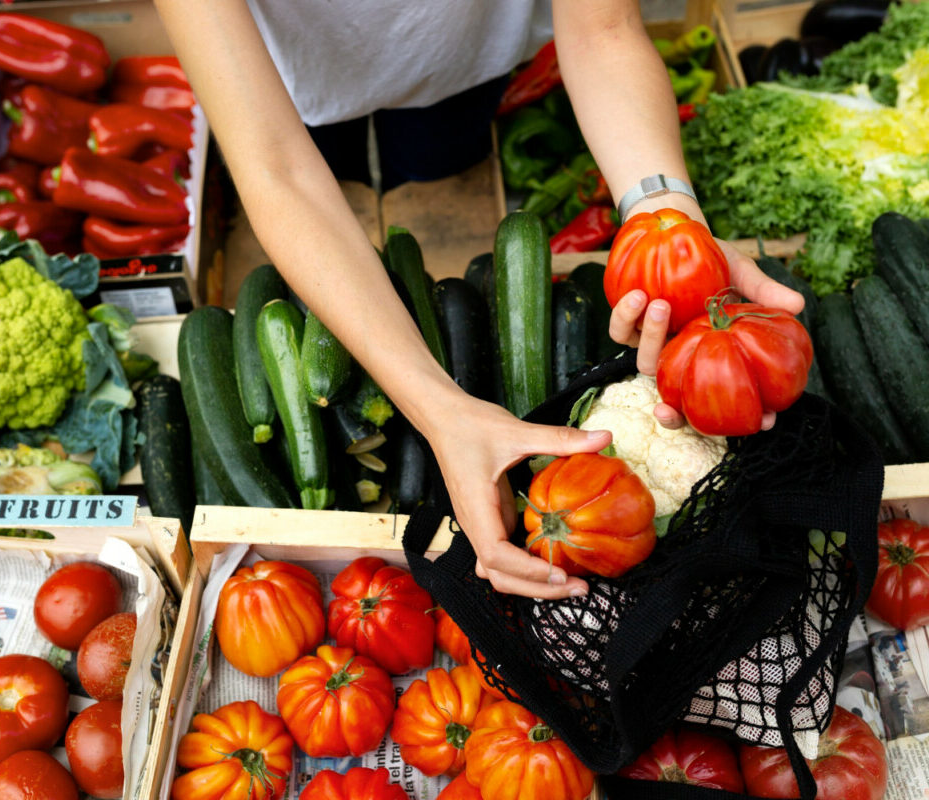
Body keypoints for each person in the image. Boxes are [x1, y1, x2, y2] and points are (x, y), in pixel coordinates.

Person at [154, 0, 804, 600]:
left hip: (464, 57)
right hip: (291, 71)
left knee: (439, 149)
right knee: (327, 149)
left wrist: (666, 219)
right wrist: (439, 411)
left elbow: (603, 31)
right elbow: (277, 167)